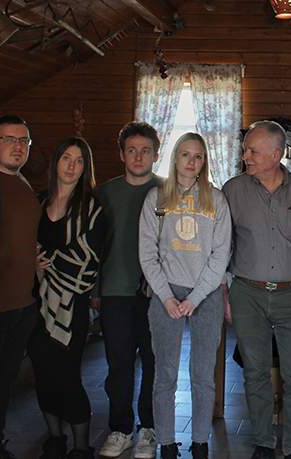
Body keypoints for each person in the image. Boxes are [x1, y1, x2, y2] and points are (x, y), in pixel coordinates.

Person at [222, 121, 291, 459]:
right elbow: (221, 247)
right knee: (255, 374)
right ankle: (263, 443)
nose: (245, 156)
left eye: (253, 151)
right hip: (247, 294)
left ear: (276, 155)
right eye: (245, 149)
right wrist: (224, 293)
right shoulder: (232, 190)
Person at [139, 133, 232, 459]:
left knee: (203, 374)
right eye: (185, 155)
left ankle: (200, 441)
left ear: (204, 162)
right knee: (165, 374)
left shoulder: (216, 200)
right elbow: (147, 253)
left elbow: (221, 255)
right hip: (166, 294)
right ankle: (166, 442)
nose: (191, 162)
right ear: (175, 157)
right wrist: (166, 296)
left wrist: (196, 297)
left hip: (205, 295)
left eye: (198, 156)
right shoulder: (156, 198)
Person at [29, 137, 109, 459]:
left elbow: (90, 258)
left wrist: (48, 261)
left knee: (66, 376)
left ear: (85, 168)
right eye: (66, 158)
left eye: (79, 161)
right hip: (36, 302)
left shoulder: (92, 209)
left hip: (71, 305)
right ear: (56, 162)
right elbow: (23, 240)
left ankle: (81, 447)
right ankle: (55, 439)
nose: (71, 166)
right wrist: (31, 259)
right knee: (42, 372)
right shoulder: (38, 201)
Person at [95, 123, 165, 459]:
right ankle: (121, 429)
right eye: (132, 150)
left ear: (156, 154)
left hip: (157, 294)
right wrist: (95, 290)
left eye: (145, 151)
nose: (139, 157)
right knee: (119, 364)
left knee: (153, 363)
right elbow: (93, 246)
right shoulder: (104, 194)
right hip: (114, 291)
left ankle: (149, 429)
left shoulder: (169, 191)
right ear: (122, 154)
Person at [0, 115, 43, 459]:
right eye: (9, 139)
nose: (18, 147)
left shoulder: (23, 183)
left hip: (22, 303)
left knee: (4, 383)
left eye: (24, 140)